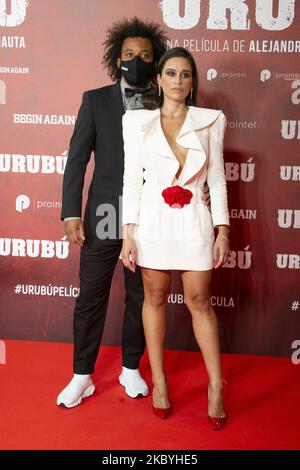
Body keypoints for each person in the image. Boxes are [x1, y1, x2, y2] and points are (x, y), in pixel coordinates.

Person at [57, 19, 211, 408]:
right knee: (91, 294)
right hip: (106, 209)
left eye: (145, 55)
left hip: (150, 213)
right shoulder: (95, 101)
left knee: (141, 295)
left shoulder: (169, 104)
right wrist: (70, 213)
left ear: (156, 61)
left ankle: (130, 368)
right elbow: (76, 162)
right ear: (117, 59)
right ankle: (82, 375)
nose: (137, 61)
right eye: (129, 55)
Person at [121, 47, 230, 430]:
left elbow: (216, 179)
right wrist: (128, 234)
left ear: (193, 81)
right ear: (158, 79)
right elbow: (132, 179)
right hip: (152, 222)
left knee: (200, 299)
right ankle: (160, 381)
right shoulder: (136, 123)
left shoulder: (210, 121)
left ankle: (216, 385)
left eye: (186, 74)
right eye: (171, 73)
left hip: (195, 222)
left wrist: (223, 230)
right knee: (153, 297)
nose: (178, 81)